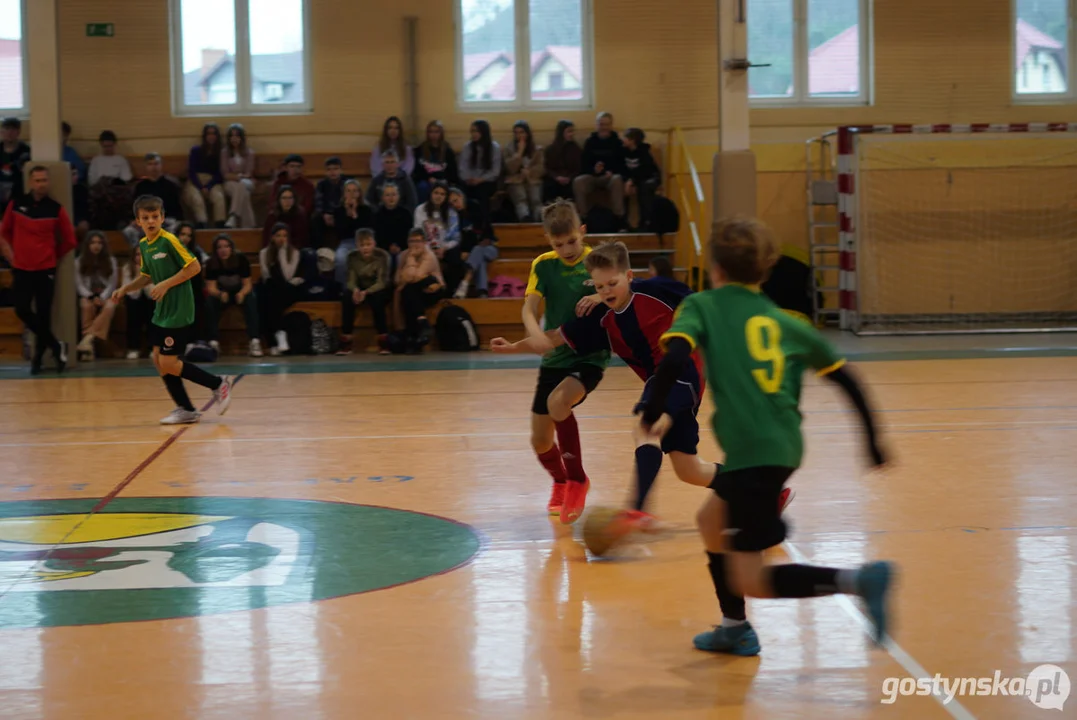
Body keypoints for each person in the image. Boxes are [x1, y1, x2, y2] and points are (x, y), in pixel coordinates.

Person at [639, 216, 894, 655]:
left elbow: (676, 355)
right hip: (781, 447)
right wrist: (872, 442)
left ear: (715, 269)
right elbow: (847, 379)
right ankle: (733, 626)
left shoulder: (702, 306)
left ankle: (858, 580)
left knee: (751, 578)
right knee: (709, 521)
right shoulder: (787, 322)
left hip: (756, 456)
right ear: (766, 269)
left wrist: (653, 407)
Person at [492, 241, 715, 526]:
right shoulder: (601, 319)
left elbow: (700, 303)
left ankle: (637, 511)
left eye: (613, 283)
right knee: (689, 470)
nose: (606, 291)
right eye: (599, 287)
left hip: (682, 370)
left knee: (645, 427)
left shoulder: (657, 290)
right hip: (662, 381)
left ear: (629, 276)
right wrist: (512, 347)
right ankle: (763, 491)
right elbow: (552, 339)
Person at [520, 199, 609, 523]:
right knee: (540, 440)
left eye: (572, 241)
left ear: (582, 232)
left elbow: (626, 289)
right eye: (559, 244)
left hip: (590, 356)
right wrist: (535, 332)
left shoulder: (598, 261)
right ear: (549, 241)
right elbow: (529, 308)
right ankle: (560, 481)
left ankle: (577, 479)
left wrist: (601, 294)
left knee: (559, 403)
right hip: (555, 357)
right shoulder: (543, 265)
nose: (567, 249)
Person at [111, 195, 233, 425]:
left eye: (155, 217)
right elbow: (147, 276)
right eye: (145, 218)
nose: (151, 221)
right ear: (138, 221)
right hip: (162, 309)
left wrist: (166, 284)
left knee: (168, 362)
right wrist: (125, 288)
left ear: (162, 218)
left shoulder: (169, 240)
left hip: (179, 308)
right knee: (159, 359)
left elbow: (195, 267)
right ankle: (186, 408)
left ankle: (218, 384)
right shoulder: (145, 245)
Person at [0, 166, 77, 374]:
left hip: (46, 270)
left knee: (44, 315)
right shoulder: (16, 205)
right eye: (37, 180)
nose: (41, 184)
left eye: (44, 180)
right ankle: (56, 345)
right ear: (30, 182)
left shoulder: (55, 208)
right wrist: (11, 256)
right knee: (21, 309)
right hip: (21, 268)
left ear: (48, 182)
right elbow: (3, 232)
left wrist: (53, 256)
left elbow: (70, 240)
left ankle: (37, 360)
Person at [204, 233, 262, 357]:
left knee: (251, 298)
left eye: (226, 246)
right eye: (219, 247)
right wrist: (220, 294)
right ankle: (213, 341)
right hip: (222, 293)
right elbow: (211, 287)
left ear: (231, 248)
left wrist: (241, 293)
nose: (223, 250)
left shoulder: (241, 259)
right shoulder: (211, 263)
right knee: (210, 302)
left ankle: (254, 341)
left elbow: (247, 284)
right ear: (215, 250)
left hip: (239, 291)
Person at [339, 228, 391, 355]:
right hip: (360, 289)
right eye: (362, 245)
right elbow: (350, 279)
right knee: (346, 296)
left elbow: (382, 282)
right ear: (357, 246)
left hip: (377, 289)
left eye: (368, 244)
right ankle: (346, 341)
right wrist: (355, 290)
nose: (365, 248)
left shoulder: (382, 256)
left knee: (378, 299)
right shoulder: (352, 257)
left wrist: (366, 292)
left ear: (374, 243)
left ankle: (383, 341)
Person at [394, 227, 444, 353]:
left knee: (409, 289)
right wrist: (405, 277)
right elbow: (396, 279)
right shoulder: (403, 255)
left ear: (424, 242)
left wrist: (410, 259)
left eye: (418, 241)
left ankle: (411, 337)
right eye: (412, 241)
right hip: (417, 291)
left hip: (434, 290)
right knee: (408, 291)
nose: (415, 244)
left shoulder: (429, 256)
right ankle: (421, 323)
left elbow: (413, 277)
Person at [75, 230, 119, 361]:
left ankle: (87, 340)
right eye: (93, 242)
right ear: (87, 245)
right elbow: (79, 285)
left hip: (106, 295)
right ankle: (89, 348)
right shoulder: (79, 261)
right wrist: (91, 297)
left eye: (99, 243)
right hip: (87, 295)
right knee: (86, 306)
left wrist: (102, 297)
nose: (96, 246)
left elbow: (113, 283)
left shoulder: (111, 260)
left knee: (110, 306)